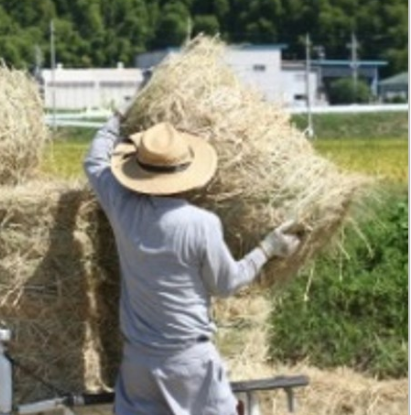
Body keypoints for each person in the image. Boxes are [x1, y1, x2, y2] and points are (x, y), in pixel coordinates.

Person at [83, 115, 301, 415]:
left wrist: (115, 122)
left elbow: (94, 162)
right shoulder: (201, 224)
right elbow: (227, 284)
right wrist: (267, 249)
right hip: (189, 364)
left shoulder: (122, 208)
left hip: (139, 362)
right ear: (185, 171)